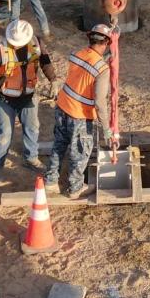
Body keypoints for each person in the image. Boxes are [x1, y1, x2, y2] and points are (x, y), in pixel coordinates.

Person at [0, 19, 55, 181]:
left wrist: (54, 79)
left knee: (32, 129)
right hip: (4, 99)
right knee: (5, 133)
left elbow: (45, 61)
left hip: (28, 96)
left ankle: (31, 158)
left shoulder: (37, 43)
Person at [45, 24, 115, 198]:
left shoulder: (76, 54)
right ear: (106, 43)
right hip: (80, 115)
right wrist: (106, 129)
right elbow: (99, 102)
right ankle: (75, 188)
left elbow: (84, 70)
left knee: (59, 144)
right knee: (80, 151)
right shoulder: (102, 69)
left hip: (62, 106)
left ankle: (50, 181)